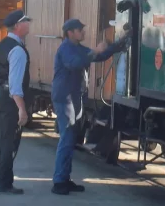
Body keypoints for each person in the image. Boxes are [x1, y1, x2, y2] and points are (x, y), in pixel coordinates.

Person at [51, 17, 127, 195]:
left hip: (73, 99)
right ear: (70, 33)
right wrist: (94, 51)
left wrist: (119, 44)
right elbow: (75, 63)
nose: (83, 32)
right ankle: (59, 182)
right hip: (65, 99)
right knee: (67, 139)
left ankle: (64, 178)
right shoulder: (66, 49)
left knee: (70, 140)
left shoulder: (77, 48)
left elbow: (100, 55)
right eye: (80, 30)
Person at [0, 10, 32, 195]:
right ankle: (4, 183)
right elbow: (15, 85)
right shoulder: (18, 50)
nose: (29, 24)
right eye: (26, 21)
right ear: (18, 26)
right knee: (9, 141)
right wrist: (22, 109)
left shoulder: (2, 44)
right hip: (9, 98)